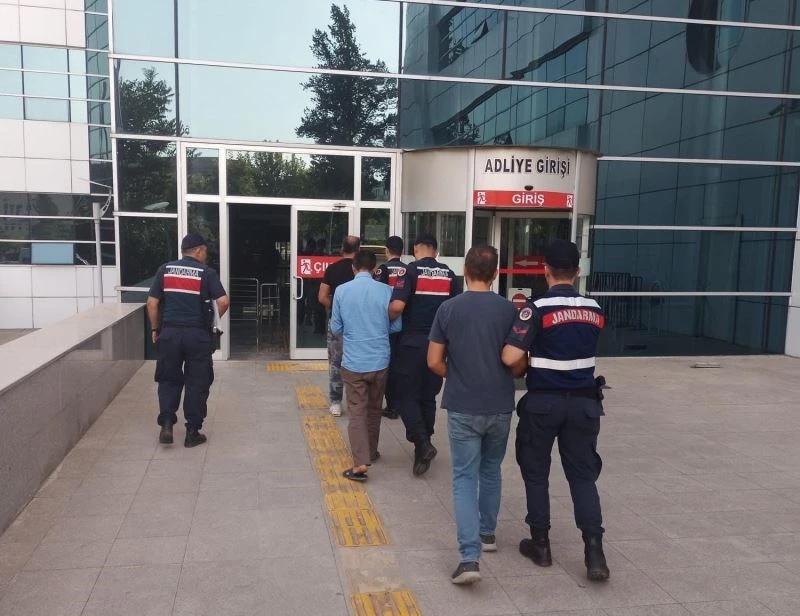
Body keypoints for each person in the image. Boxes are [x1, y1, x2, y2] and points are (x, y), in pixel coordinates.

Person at [501, 239, 610, 582]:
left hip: (544, 404)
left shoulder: (536, 308)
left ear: (545, 270)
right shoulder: (594, 308)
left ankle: (541, 545)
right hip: (584, 406)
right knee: (583, 477)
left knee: (536, 473)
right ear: (577, 271)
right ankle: (595, 553)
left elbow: (510, 356)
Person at [428, 245, 517, 585]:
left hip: (463, 405)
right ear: (495, 274)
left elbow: (433, 361)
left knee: (465, 477)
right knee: (491, 470)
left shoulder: (448, 309)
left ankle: (469, 558)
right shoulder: (509, 311)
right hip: (500, 405)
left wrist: (456, 376)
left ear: (464, 271)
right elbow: (518, 361)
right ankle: (487, 534)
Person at [147, 233, 230, 448]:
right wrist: (212, 323)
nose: (206, 255)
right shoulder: (206, 273)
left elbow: (152, 303)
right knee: (197, 382)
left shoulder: (165, 270)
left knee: (168, 379)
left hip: (169, 334)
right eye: (205, 252)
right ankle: (192, 432)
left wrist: (156, 328)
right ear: (199, 251)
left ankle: (167, 423)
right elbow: (223, 301)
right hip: (197, 336)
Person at [389, 233, 458, 476]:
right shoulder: (450, 274)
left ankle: (421, 440)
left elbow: (397, 307)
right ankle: (423, 447)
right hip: (439, 346)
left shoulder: (409, 272)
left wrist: (386, 319)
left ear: (416, 249)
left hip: (412, 344)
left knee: (404, 395)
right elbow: (455, 311)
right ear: (436, 251)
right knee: (428, 396)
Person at [330, 250, 401, 482]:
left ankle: (360, 462)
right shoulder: (387, 290)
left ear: (353, 268)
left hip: (354, 361)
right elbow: (396, 326)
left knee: (357, 411)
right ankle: (371, 451)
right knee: (374, 408)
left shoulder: (342, 291)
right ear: (374, 269)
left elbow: (336, 328)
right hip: (380, 360)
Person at [319, 235, 361, 417]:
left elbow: (322, 297)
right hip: (360, 323)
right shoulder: (363, 271)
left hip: (337, 323)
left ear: (342, 249)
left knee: (336, 362)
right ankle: (357, 400)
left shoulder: (333, 269)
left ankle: (336, 402)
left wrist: (337, 308)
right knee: (358, 361)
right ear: (358, 250)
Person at [373, 235, 407, 419]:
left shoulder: (382, 270)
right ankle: (401, 403)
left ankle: (392, 405)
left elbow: (377, 296)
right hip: (405, 324)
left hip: (388, 324)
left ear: (386, 250)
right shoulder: (407, 270)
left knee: (389, 366)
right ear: (402, 251)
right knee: (401, 365)